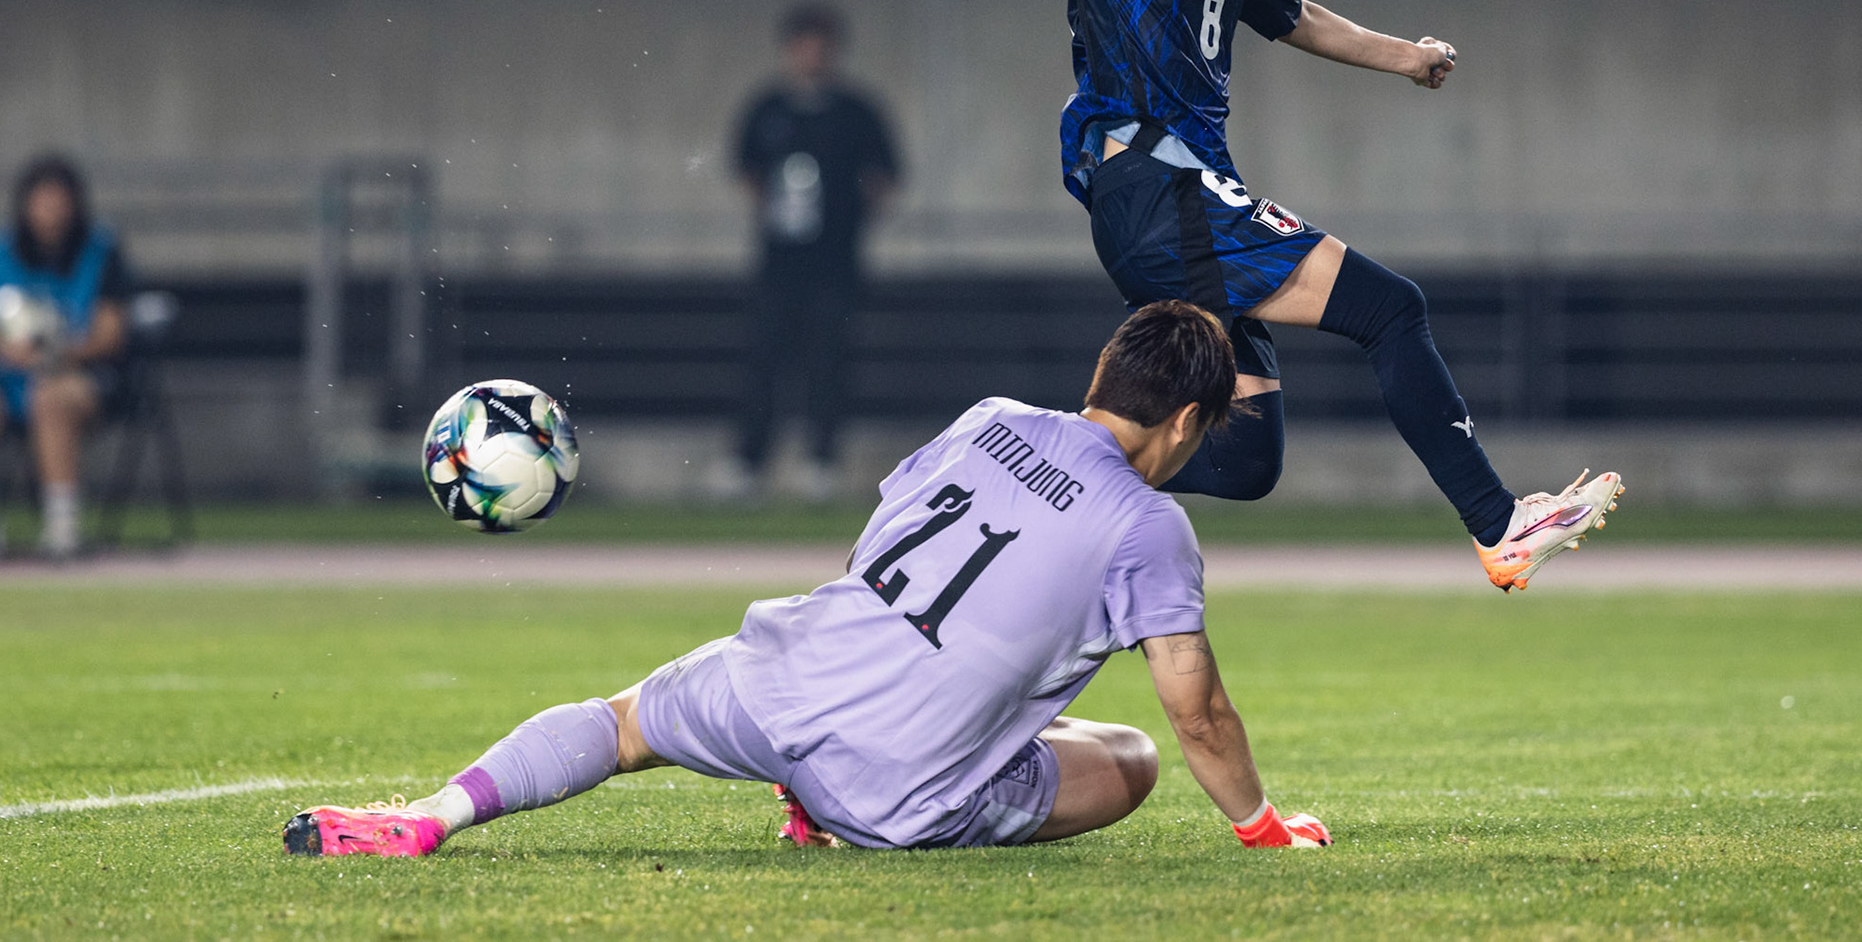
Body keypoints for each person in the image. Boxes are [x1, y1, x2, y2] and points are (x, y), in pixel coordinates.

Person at [952, 0, 1623, 592]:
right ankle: (1499, 523)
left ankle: (1021, 476)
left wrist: (1406, 56)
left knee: (1246, 460)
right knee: (1390, 309)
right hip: (1152, 180)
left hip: (1189, 188)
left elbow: (1291, 15)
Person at [283, 300, 1333, 856]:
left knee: (621, 724)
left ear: (1101, 378)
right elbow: (1197, 714)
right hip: (897, 792)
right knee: (1133, 756)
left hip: (782, 677)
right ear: (1188, 420)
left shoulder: (993, 418)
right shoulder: (1150, 525)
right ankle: (835, 811)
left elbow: (874, 544)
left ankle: (430, 814)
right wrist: (1261, 825)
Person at [710, 2, 900, 503]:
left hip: (835, 265)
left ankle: (822, 461)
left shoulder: (856, 111)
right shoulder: (767, 108)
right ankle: (748, 462)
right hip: (778, 264)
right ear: (789, 50)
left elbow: (883, 178)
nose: (811, 55)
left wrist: (847, 219)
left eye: (821, 45)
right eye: (803, 45)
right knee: (764, 358)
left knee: (828, 361)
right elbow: (746, 170)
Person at [0, 155, 129, 557]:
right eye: (42, 201)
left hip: (75, 379)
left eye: (59, 201)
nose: (51, 211)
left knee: (50, 397)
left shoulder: (100, 250)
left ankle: (62, 528)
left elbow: (111, 332)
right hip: (3, 381)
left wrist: (52, 354)